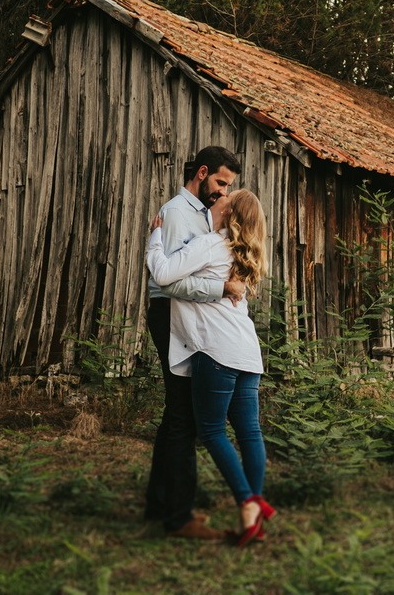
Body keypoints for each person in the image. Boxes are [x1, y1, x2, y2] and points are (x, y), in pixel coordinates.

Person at [146, 189, 276, 547]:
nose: (217, 199)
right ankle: (254, 517)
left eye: (225, 198)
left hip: (217, 351)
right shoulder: (248, 256)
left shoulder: (212, 244)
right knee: (249, 432)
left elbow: (162, 274)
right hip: (248, 352)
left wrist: (155, 237)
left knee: (212, 430)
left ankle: (248, 503)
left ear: (229, 211)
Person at [145, 146, 244, 541]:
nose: (223, 192)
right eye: (220, 182)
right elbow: (167, 280)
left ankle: (161, 504)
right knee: (184, 415)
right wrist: (221, 289)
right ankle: (178, 517)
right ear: (202, 172)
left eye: (228, 186)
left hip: (188, 317)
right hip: (170, 315)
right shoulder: (176, 213)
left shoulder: (203, 214)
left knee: (177, 413)